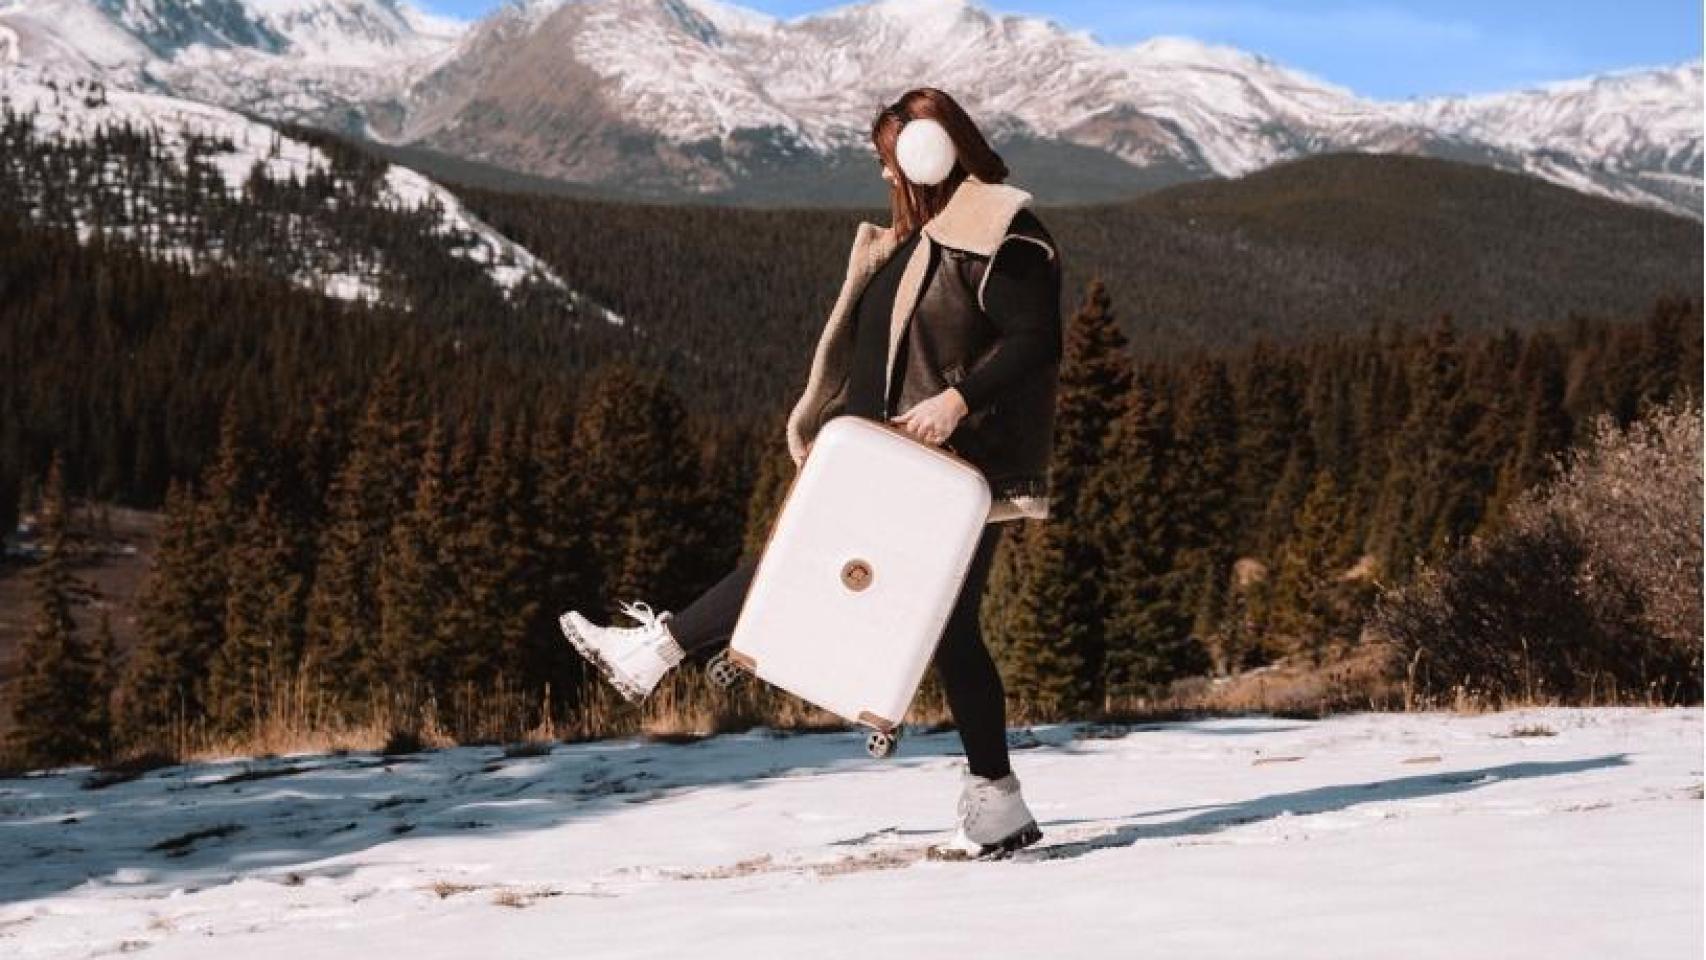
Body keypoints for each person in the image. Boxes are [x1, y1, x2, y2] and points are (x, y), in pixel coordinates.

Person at [559, 87, 1064, 861]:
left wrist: (955, 402)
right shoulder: (926, 238)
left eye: (890, 159)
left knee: (815, 566)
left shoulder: (1000, 230)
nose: (885, 175)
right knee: (944, 627)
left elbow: (1035, 339)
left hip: (942, 469)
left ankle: (656, 650)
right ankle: (997, 802)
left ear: (928, 152)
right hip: (893, 456)